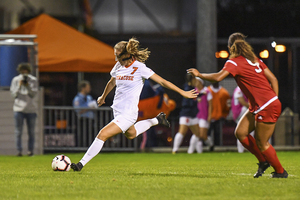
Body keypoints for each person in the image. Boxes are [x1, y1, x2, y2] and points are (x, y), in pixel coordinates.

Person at [71, 38, 197, 171]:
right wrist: (103, 97)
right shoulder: (118, 66)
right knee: (131, 134)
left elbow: (162, 82)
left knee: (102, 134)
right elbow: (112, 82)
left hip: (128, 113)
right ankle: (157, 119)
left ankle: (80, 164)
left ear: (125, 54)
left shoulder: (140, 68)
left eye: (117, 54)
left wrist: (183, 92)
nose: (115, 57)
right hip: (118, 111)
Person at [188, 32, 288, 178]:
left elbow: (217, 77)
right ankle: (263, 161)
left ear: (230, 47)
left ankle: (280, 172)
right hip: (263, 104)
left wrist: (199, 75)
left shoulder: (234, 62)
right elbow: (274, 79)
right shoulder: (254, 59)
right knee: (240, 133)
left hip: (266, 105)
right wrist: (274, 99)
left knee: (262, 142)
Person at [10, 63, 38, 156]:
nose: (24, 73)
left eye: (26, 71)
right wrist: (19, 85)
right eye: (23, 72)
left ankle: (30, 151)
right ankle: (19, 151)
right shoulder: (16, 80)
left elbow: (33, 94)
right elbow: (13, 94)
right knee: (18, 131)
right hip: (18, 109)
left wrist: (28, 86)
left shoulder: (33, 80)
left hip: (31, 109)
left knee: (31, 132)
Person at [172, 73, 199, 154]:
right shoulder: (187, 88)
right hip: (186, 113)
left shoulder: (191, 88)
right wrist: (196, 101)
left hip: (192, 114)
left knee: (197, 133)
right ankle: (175, 150)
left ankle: (190, 151)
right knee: (182, 132)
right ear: (192, 79)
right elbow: (187, 102)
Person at [189, 77, 213, 154]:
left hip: (204, 115)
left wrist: (209, 115)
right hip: (196, 114)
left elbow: (210, 104)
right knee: (197, 134)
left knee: (202, 135)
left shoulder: (207, 91)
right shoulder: (194, 91)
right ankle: (195, 151)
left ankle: (210, 144)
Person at [73, 80, 98, 146]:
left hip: (90, 119)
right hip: (82, 120)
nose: (89, 89)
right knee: (82, 135)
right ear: (83, 88)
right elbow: (78, 110)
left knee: (91, 136)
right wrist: (88, 108)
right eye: (88, 87)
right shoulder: (77, 99)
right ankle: (81, 148)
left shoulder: (89, 98)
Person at [207, 82, 230, 149]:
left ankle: (218, 148)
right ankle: (206, 147)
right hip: (208, 116)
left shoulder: (224, 92)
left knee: (218, 134)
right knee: (206, 133)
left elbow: (228, 105)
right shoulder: (207, 91)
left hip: (219, 117)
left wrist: (225, 114)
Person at [231, 86, 254, 153]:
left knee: (247, 131)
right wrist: (252, 108)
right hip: (239, 112)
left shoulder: (246, 89)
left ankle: (249, 149)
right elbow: (242, 101)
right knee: (241, 132)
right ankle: (242, 150)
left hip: (242, 113)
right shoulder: (239, 89)